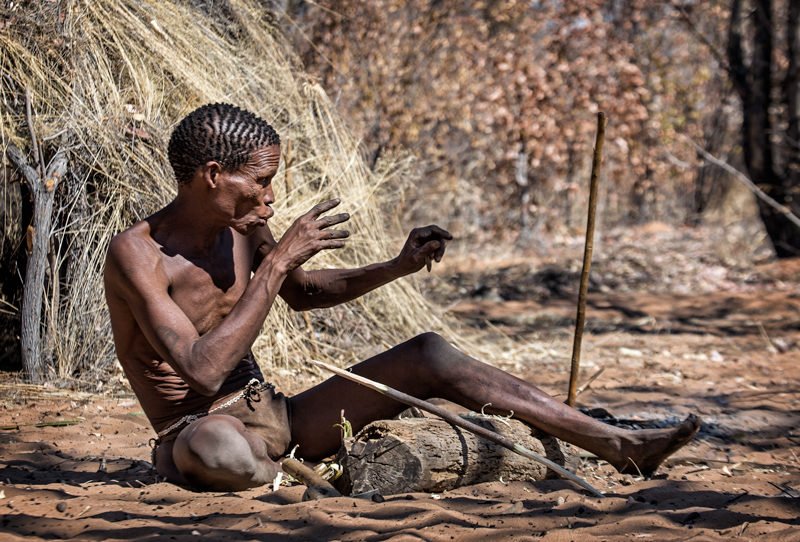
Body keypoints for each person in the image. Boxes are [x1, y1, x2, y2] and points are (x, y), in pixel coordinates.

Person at [104, 103, 700, 492]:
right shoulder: (138, 253)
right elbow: (204, 374)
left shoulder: (243, 227)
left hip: (279, 416)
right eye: (260, 182)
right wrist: (281, 256)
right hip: (197, 430)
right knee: (217, 445)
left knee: (430, 354)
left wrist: (398, 265)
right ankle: (309, 484)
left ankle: (620, 444)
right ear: (213, 175)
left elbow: (305, 293)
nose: (270, 197)